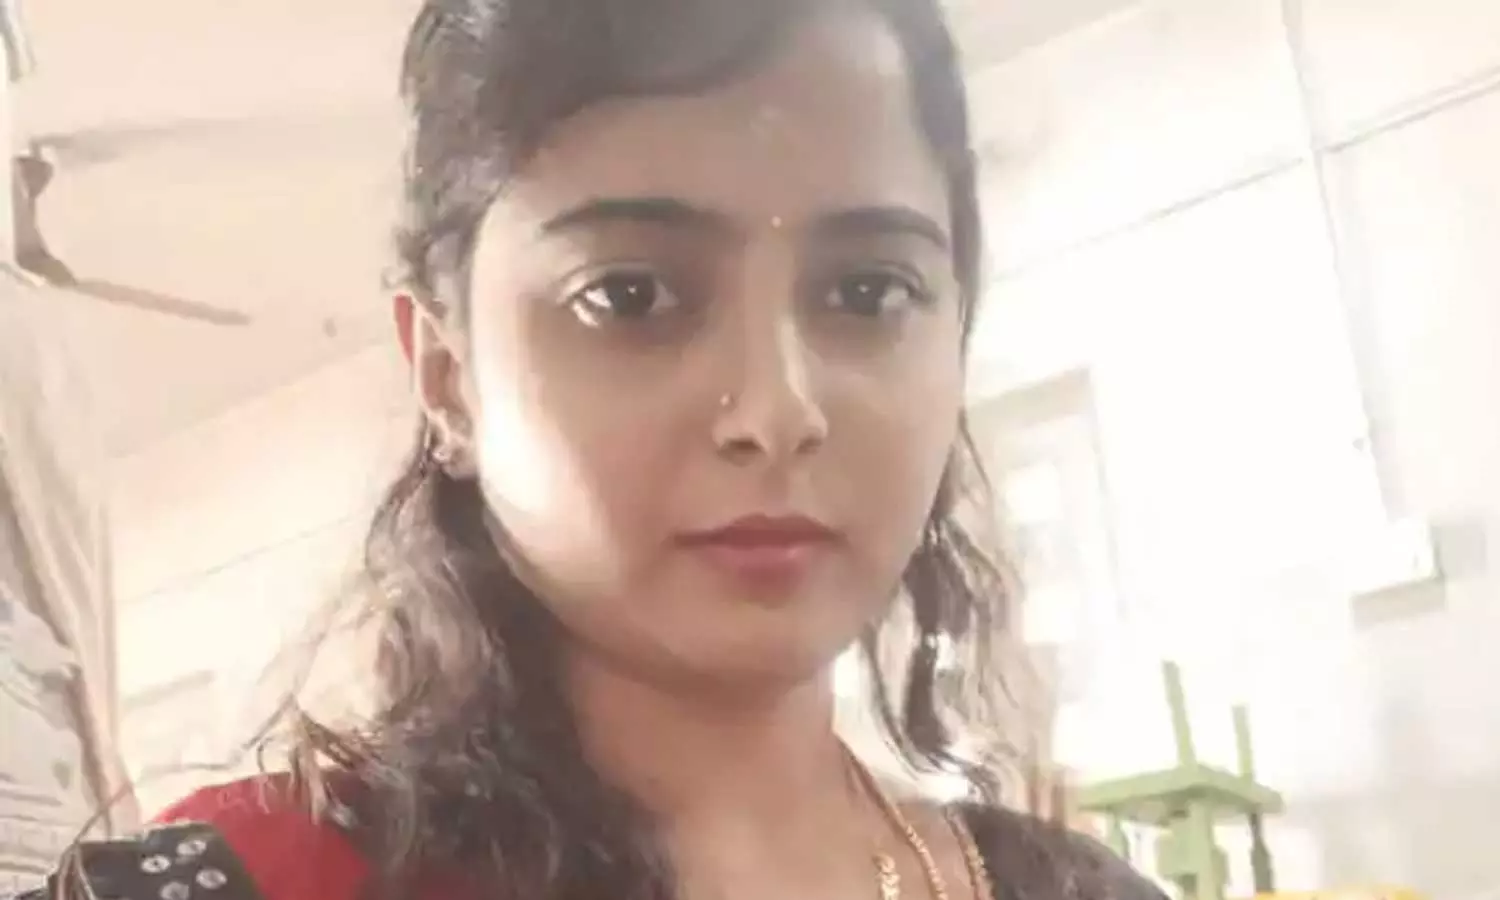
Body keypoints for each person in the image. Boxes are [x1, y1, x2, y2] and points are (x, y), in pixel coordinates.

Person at [12, 0, 1167, 898]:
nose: (777, 408)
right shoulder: (254, 885)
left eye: (869, 291)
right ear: (448, 376)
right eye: (630, 295)